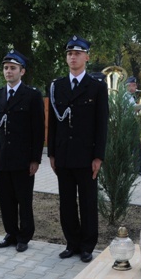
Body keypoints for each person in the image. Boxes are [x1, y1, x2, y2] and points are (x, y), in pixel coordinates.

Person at [48, 35, 108, 263]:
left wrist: (98, 156)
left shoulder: (96, 87)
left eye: (77, 53)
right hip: (63, 155)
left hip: (86, 156)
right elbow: (53, 123)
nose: (73, 57)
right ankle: (71, 243)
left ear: (86, 57)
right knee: (66, 202)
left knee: (88, 202)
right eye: (69, 53)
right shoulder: (57, 86)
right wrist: (51, 153)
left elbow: (102, 124)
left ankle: (87, 245)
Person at [0, 50, 45, 252]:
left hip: (22, 159)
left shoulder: (32, 95)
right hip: (2, 158)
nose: (8, 71)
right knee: (6, 200)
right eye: (6, 68)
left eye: (13, 68)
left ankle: (24, 236)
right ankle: (10, 233)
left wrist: (35, 159)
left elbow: (38, 131)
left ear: (22, 71)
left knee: (23, 199)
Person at [125, 76, 141, 176]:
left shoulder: (129, 96)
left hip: (131, 121)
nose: (136, 87)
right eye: (134, 85)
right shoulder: (125, 96)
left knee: (133, 147)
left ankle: (134, 169)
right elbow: (132, 108)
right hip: (129, 122)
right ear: (129, 85)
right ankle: (137, 170)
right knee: (136, 146)